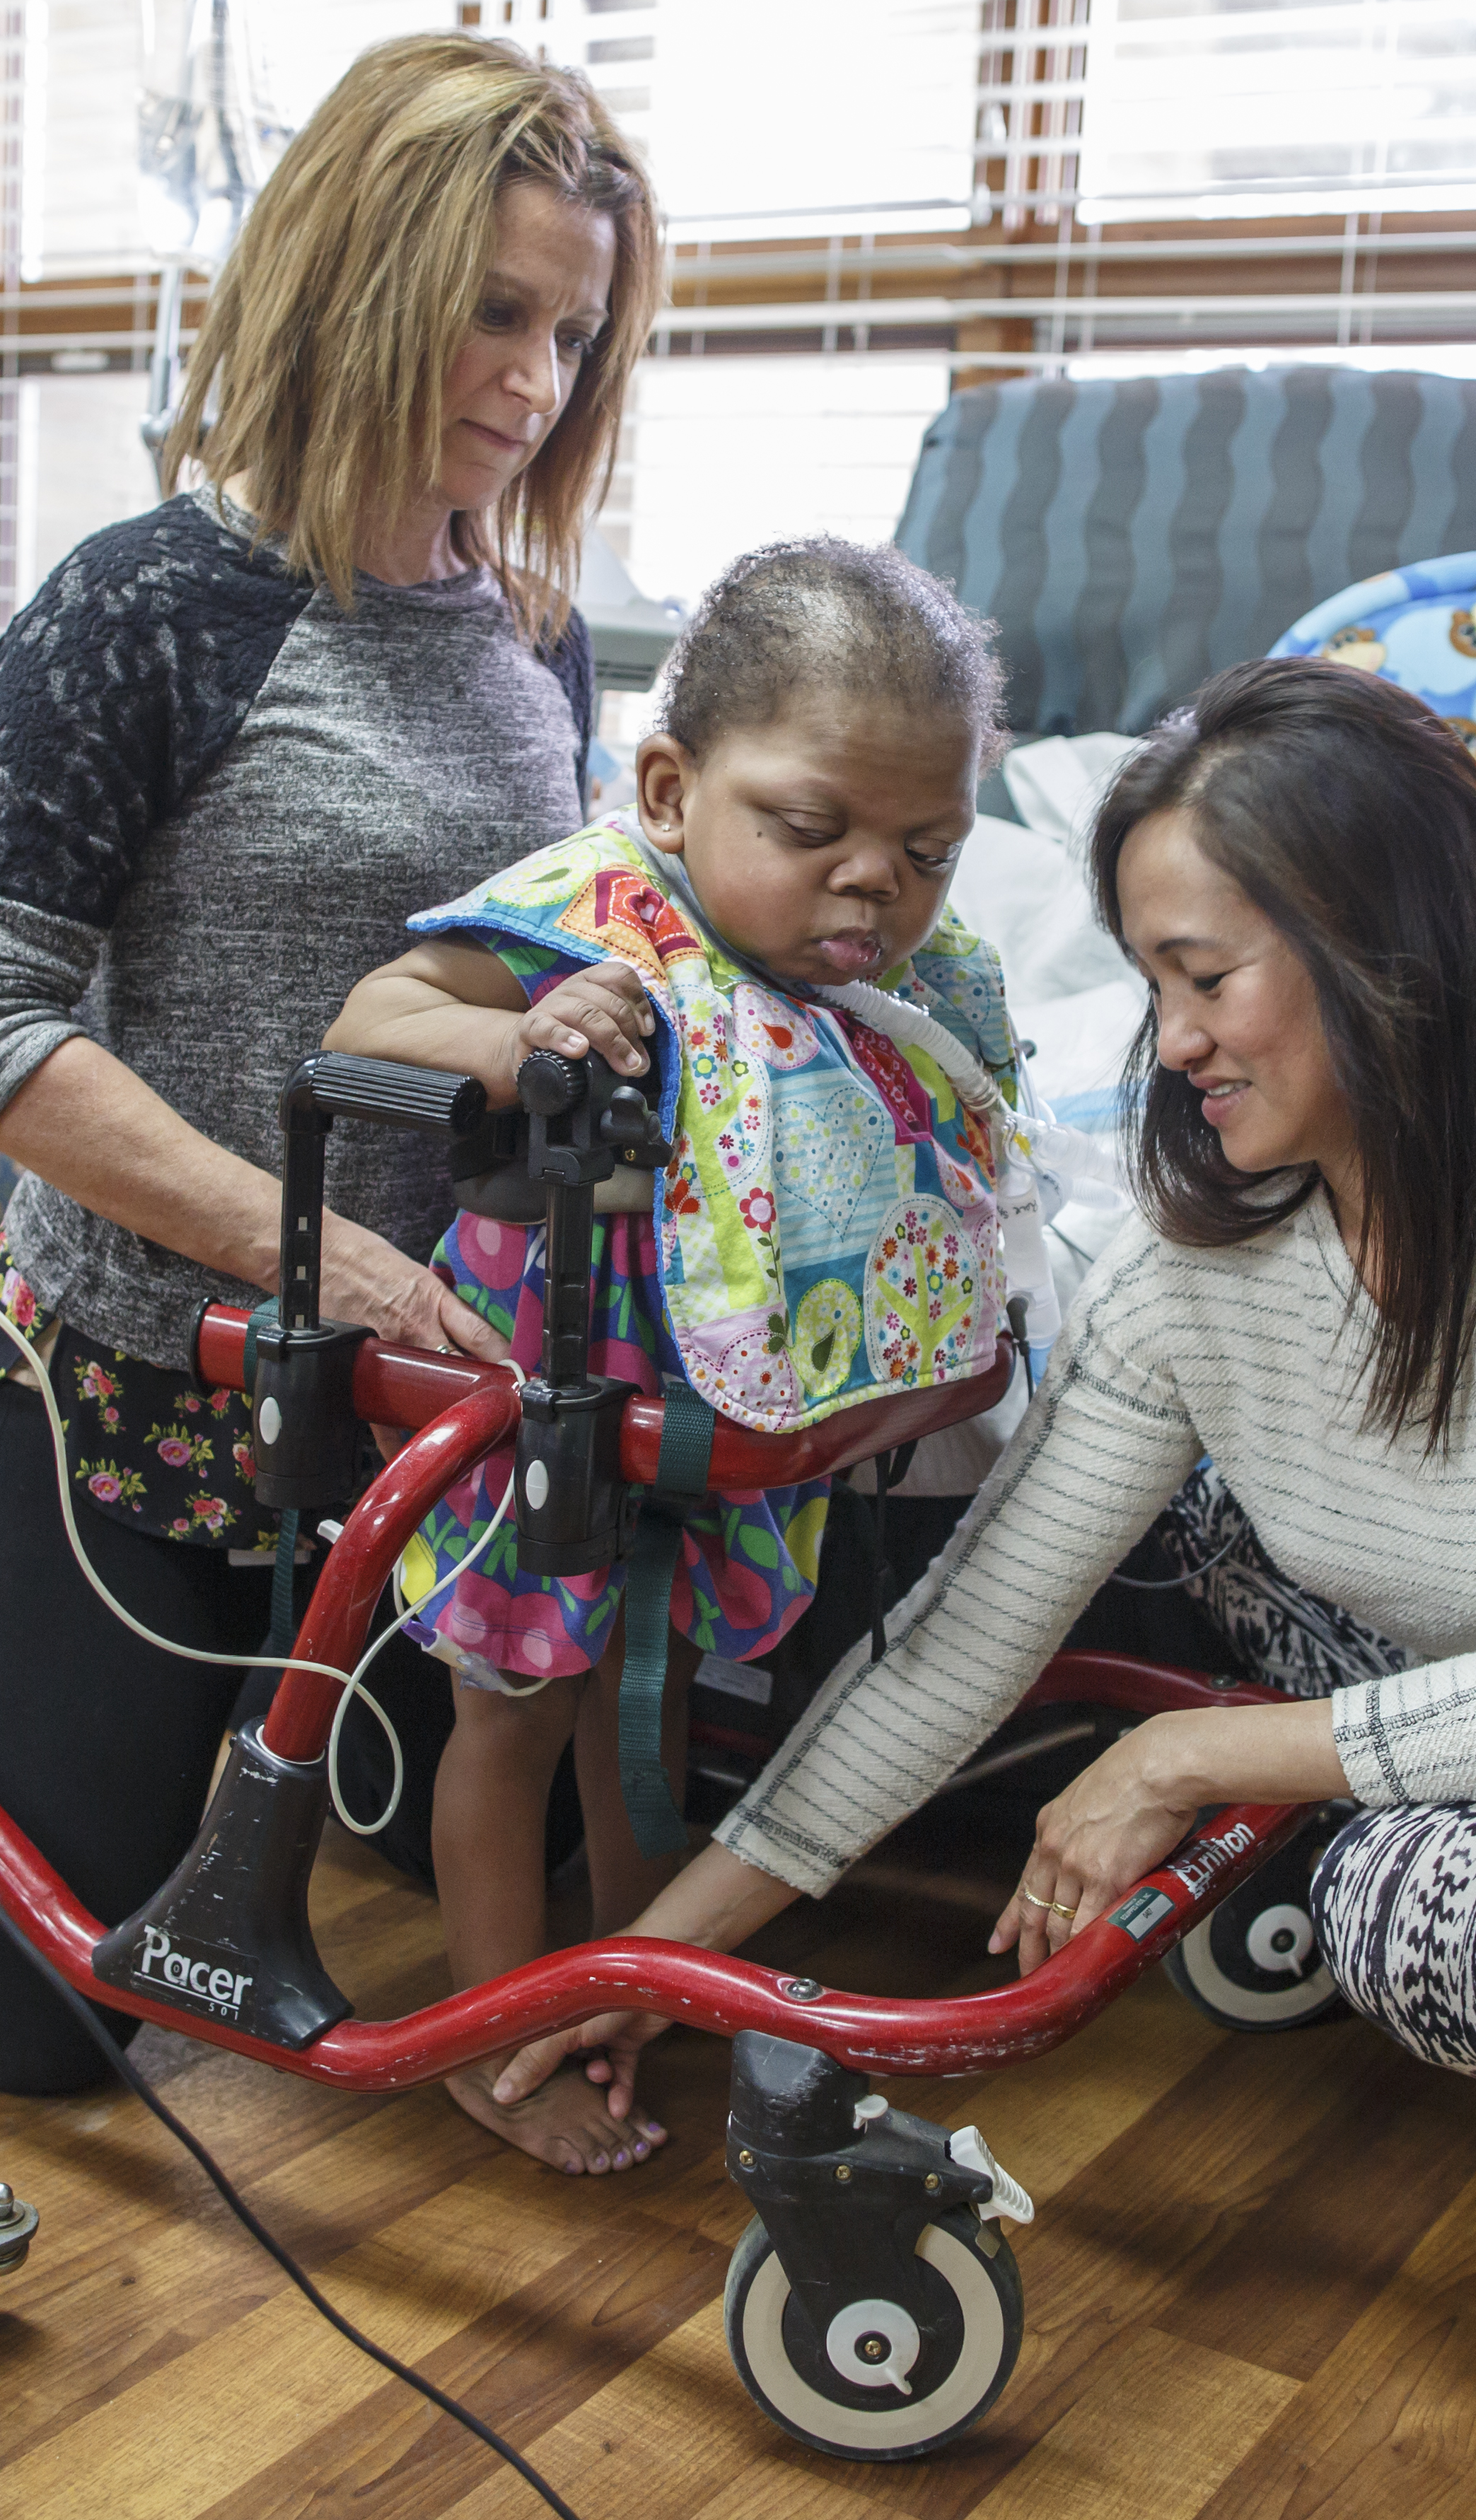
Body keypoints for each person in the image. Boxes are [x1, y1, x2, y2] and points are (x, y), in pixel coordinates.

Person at [496, 655, 1476, 2287]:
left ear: (1385, 954)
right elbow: (965, 1635)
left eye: (1204, 979)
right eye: (1149, 986)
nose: (1169, 1046)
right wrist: (651, 1966)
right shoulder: (1205, 1265)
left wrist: (1179, 1762)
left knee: (1416, 1918)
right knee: (1213, 1529)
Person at [0, 35, 660, 2101]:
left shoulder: (540, 637)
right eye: (494, 311)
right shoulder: (146, 606)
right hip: (150, 1388)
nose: (535, 376)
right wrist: (287, 1247)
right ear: (357, 275)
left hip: (424, 1416)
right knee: (41, 2029)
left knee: (500, 1850)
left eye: (575, 330)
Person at [325, 540, 1017, 2172]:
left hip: (727, 1410)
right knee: (516, 1715)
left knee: (651, 1712)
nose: (872, 884)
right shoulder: (594, 915)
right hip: (544, 1392)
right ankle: (491, 2039)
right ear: (669, 785)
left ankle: (637, 1985)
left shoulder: (903, 973)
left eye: (926, 849)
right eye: (812, 829)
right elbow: (373, 1018)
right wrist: (519, 1037)